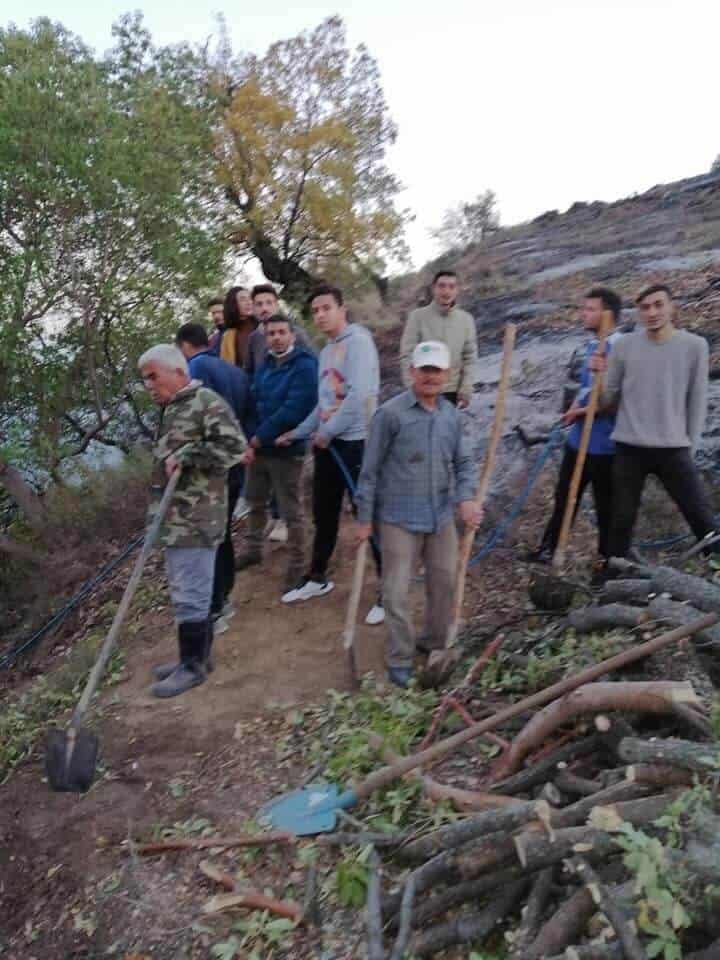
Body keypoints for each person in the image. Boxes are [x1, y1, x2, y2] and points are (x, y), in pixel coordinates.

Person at [354, 341, 482, 688]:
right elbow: (370, 471)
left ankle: (436, 643)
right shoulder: (390, 415)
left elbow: (465, 462)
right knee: (395, 591)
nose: (430, 376)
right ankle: (400, 655)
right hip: (397, 517)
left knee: (444, 582)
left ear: (447, 374)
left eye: (436, 370)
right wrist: (365, 519)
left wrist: (466, 498)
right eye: (424, 369)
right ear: (412, 372)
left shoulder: (452, 416)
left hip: (440, 516)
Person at [138, 344, 246, 698]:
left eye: (153, 376)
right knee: (189, 590)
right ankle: (196, 657)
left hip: (197, 518)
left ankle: (193, 667)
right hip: (176, 518)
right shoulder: (175, 407)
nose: (149, 385)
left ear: (179, 372)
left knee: (192, 595)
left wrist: (190, 453)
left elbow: (235, 448)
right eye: (145, 379)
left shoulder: (206, 403)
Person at [275, 283, 384, 624]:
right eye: (315, 311)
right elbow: (324, 403)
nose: (320, 315)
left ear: (342, 309)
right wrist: (302, 431)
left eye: (326, 308)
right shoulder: (326, 352)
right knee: (324, 513)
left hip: (355, 443)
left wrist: (327, 432)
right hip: (327, 445)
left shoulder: (359, 344)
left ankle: (388, 590)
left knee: (367, 513)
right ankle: (317, 577)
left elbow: (358, 397)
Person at [592, 283, 718, 563]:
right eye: (645, 307)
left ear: (672, 307)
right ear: (638, 312)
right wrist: (599, 375)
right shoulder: (624, 346)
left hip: (673, 448)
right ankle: (612, 580)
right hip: (629, 446)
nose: (652, 312)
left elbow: (697, 401)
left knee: (700, 514)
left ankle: (717, 566)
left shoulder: (694, 346)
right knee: (620, 521)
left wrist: (691, 445)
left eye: (659, 304)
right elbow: (606, 400)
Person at [525, 288, 623, 579]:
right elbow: (585, 390)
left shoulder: (620, 349)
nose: (584, 314)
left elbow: (614, 399)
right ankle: (549, 549)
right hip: (578, 441)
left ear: (608, 314)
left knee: (607, 509)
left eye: (590, 309)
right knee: (564, 498)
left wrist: (580, 411)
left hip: (606, 447)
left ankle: (606, 565)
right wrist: (575, 409)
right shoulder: (592, 346)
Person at [176, 323, 253, 628]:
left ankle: (218, 604)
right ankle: (224, 596)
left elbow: (196, 420)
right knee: (222, 534)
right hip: (237, 458)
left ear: (184, 345)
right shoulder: (232, 369)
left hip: (213, 467)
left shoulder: (196, 369)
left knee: (211, 537)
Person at [234, 315, 318, 591]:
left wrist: (258, 437)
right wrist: (250, 436)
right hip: (259, 448)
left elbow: (294, 409)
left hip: (286, 448)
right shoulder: (266, 364)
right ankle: (254, 549)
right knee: (255, 502)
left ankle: (298, 564)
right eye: (271, 334)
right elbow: (255, 400)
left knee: (292, 510)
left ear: (293, 335)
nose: (277, 337)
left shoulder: (305, 365)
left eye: (282, 332)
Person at [245, 283, 315, 543]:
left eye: (268, 303)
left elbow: (304, 392)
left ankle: (291, 538)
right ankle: (264, 533)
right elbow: (251, 377)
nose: (263, 308)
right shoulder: (255, 340)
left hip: (288, 431)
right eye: (258, 304)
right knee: (257, 495)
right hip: (263, 429)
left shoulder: (298, 336)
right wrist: (252, 430)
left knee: (289, 494)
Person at [399, 270, 478, 408]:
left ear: (457, 290)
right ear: (434, 288)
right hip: (423, 391)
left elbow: (470, 358)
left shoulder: (466, 320)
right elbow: (407, 354)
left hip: (452, 393)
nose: (446, 291)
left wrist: (466, 390)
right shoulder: (417, 317)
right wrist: (412, 388)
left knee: (448, 429)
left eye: (451, 287)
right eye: (442, 286)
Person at [219, 286, 256, 366]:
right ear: (233, 304)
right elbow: (226, 366)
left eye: (250, 298)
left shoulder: (261, 325)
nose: (249, 302)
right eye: (243, 299)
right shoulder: (228, 336)